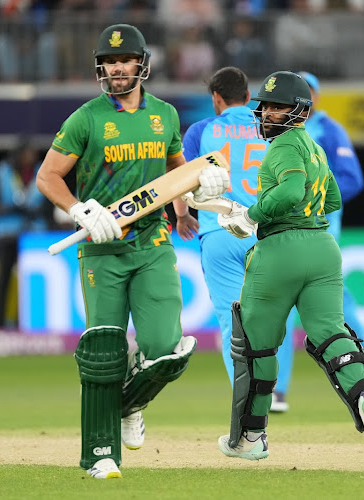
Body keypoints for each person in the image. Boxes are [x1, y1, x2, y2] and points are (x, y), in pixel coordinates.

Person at [35, 23, 229, 479]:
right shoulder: (85, 118)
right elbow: (48, 177)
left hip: (152, 243)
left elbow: (175, 168)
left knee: (167, 349)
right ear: (100, 68)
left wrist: (188, 202)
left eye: (124, 61)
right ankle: (100, 456)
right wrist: (80, 209)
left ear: (142, 65)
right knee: (105, 350)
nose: (117, 69)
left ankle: (130, 403)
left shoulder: (164, 115)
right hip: (102, 248)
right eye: (109, 62)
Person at [215, 71, 364, 460]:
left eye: (276, 107)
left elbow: (292, 190)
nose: (266, 114)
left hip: (280, 250)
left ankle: (250, 438)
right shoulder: (314, 147)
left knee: (256, 346)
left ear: (298, 110)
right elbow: (330, 201)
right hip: (323, 249)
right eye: (265, 106)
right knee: (331, 334)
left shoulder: (281, 148)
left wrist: (252, 215)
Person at [180, 66, 297, 412]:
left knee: (233, 324)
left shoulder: (202, 130)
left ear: (216, 99)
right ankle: (275, 391)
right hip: (266, 231)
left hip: (220, 234)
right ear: (249, 97)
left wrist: (182, 214)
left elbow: (181, 178)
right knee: (274, 317)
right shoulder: (271, 128)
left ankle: (248, 405)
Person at [295, 71, 364, 380]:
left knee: (332, 300)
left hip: (319, 229)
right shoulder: (280, 130)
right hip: (286, 229)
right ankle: (271, 388)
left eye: (308, 92)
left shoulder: (329, 130)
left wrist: (313, 200)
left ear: (316, 97)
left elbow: (351, 179)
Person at [0, 138, 49, 329]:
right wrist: (7, 209)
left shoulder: (41, 171)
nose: (31, 158)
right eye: (28, 154)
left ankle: (29, 323)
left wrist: (34, 212)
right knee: (3, 278)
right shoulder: (1, 171)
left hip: (33, 236)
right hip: (6, 234)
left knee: (32, 281)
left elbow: (48, 203)